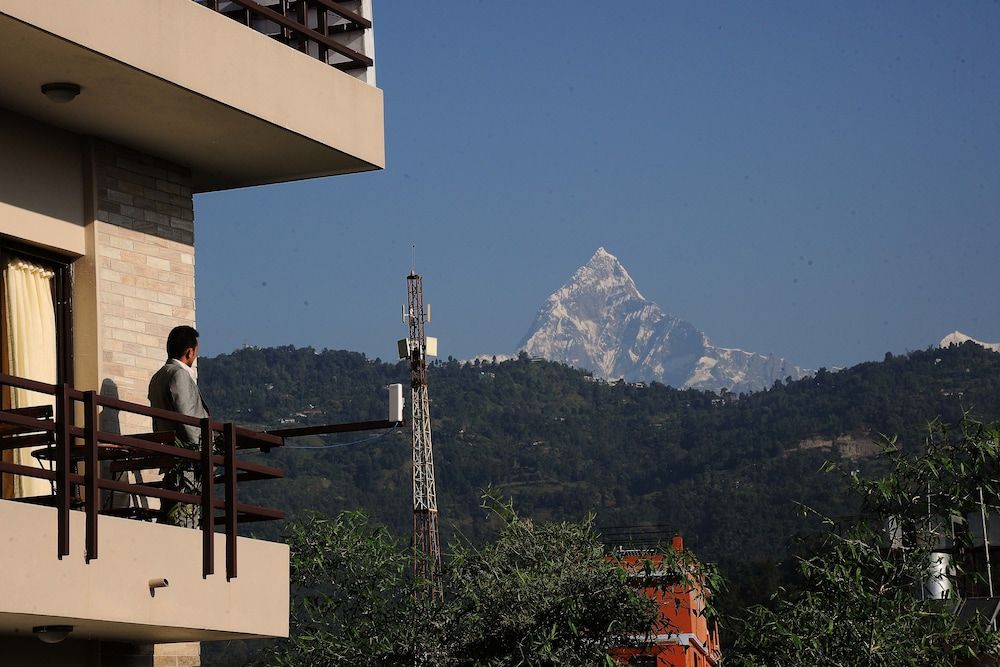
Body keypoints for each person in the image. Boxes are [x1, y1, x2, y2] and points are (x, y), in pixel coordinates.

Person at [148, 325, 210, 527]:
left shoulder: (158, 377)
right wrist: (206, 449)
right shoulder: (179, 375)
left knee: (172, 512)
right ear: (189, 351)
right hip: (186, 458)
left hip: (169, 454)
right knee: (186, 515)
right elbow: (189, 418)